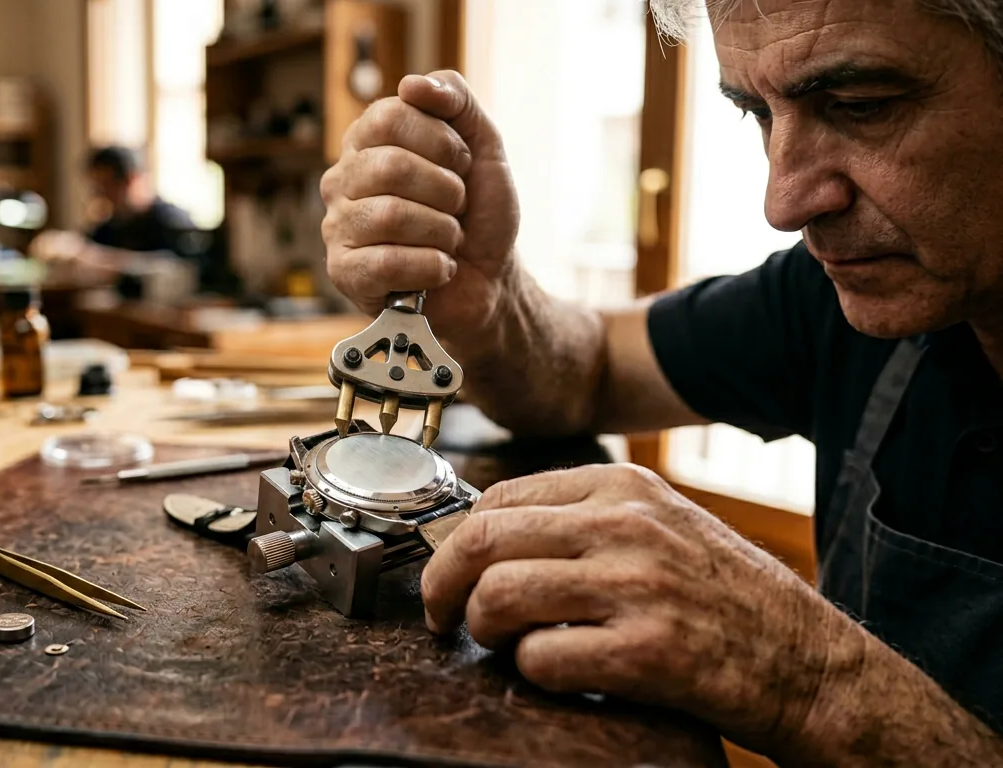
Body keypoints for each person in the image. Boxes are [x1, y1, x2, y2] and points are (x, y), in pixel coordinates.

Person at [320, 0, 1003, 763]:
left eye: (860, 107)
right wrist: (487, 303)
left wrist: (811, 680)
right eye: (756, 115)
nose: (783, 203)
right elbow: (594, 370)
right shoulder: (840, 297)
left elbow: (812, 680)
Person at [82, 145, 197, 255]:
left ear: (132, 179)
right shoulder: (110, 229)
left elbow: (182, 266)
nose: (103, 194)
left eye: (108, 185)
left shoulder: (172, 222)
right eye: (98, 187)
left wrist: (112, 262)